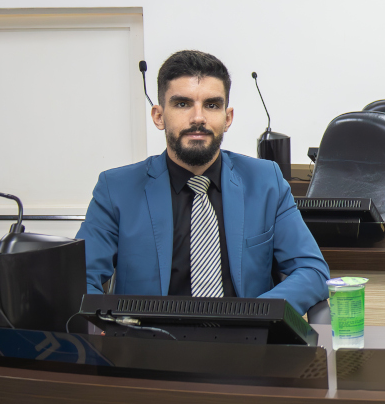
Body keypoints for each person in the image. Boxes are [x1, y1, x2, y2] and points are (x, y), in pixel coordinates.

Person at [76, 50, 328, 314]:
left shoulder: (266, 182)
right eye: (182, 104)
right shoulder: (116, 189)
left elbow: (311, 271)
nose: (198, 118)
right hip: (148, 346)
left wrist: (258, 314)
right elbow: (80, 277)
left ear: (227, 118)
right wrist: (100, 329)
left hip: (246, 344)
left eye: (211, 105)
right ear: (159, 116)